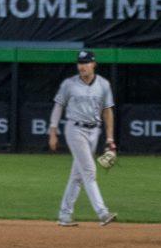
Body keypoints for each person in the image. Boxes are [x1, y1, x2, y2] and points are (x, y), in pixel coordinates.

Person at [48, 50, 117, 227]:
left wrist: (110, 139)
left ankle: (64, 215)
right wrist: (53, 131)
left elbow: (108, 111)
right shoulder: (69, 84)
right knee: (89, 170)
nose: (82, 66)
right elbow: (58, 106)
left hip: (95, 131)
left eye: (86, 62)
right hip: (75, 129)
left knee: (77, 175)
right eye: (80, 63)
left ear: (93, 64)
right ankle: (102, 213)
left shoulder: (103, 84)